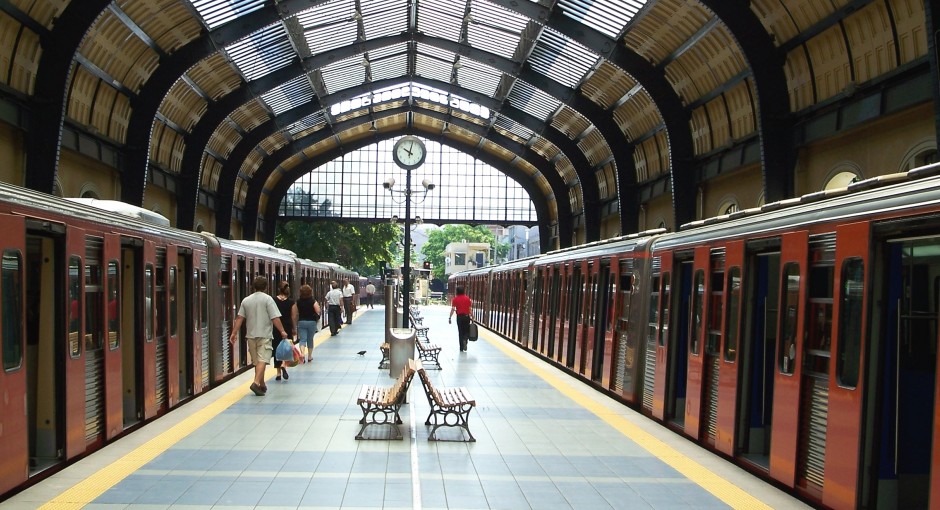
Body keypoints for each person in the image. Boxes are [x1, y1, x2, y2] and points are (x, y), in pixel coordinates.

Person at [229, 276, 289, 396]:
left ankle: (262, 385)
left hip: (250, 336)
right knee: (263, 359)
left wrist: (234, 332)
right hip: (265, 335)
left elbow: (240, 317)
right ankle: (256, 383)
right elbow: (274, 317)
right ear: (266, 287)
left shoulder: (246, 300)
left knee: (257, 362)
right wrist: (282, 331)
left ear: (253, 286)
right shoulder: (268, 300)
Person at [272, 281, 298, 381]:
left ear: (279, 289)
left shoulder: (273, 300)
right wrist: (294, 328)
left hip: (276, 327)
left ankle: (278, 373)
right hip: (287, 327)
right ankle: (284, 365)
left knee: (276, 348)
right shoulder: (291, 302)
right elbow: (293, 316)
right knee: (286, 348)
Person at [296, 284, 321, 362]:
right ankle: (309, 356)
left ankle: (302, 354)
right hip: (312, 322)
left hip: (302, 321)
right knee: (310, 339)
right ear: (310, 292)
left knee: (302, 339)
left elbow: (296, 312)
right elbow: (318, 311)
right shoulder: (313, 301)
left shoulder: (298, 301)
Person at [448, 286, 472, 352]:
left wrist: (450, 317)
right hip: (466, 317)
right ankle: (465, 339)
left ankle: (461, 347)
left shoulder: (455, 299)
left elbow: (453, 309)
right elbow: (470, 309)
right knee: (466, 331)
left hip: (459, 317)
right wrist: (472, 317)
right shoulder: (467, 299)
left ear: (457, 291)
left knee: (460, 332)